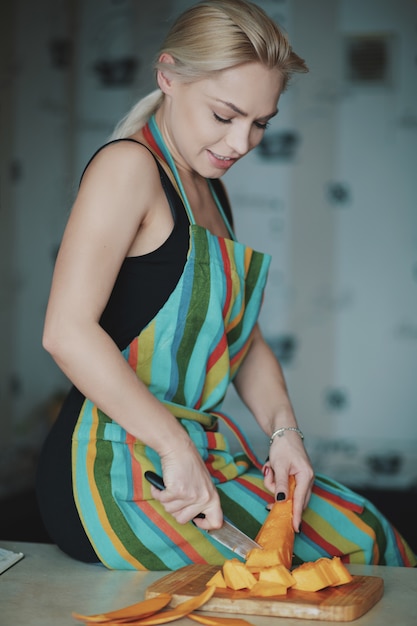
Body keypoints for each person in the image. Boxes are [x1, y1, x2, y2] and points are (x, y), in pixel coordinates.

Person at [36, 0, 416, 570]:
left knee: (367, 531)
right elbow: (66, 333)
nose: (242, 143)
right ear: (168, 76)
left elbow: (244, 339)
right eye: (225, 115)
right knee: (324, 564)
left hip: (191, 455)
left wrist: (286, 434)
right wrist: (173, 444)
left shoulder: (210, 185)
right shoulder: (128, 168)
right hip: (111, 471)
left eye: (261, 122)